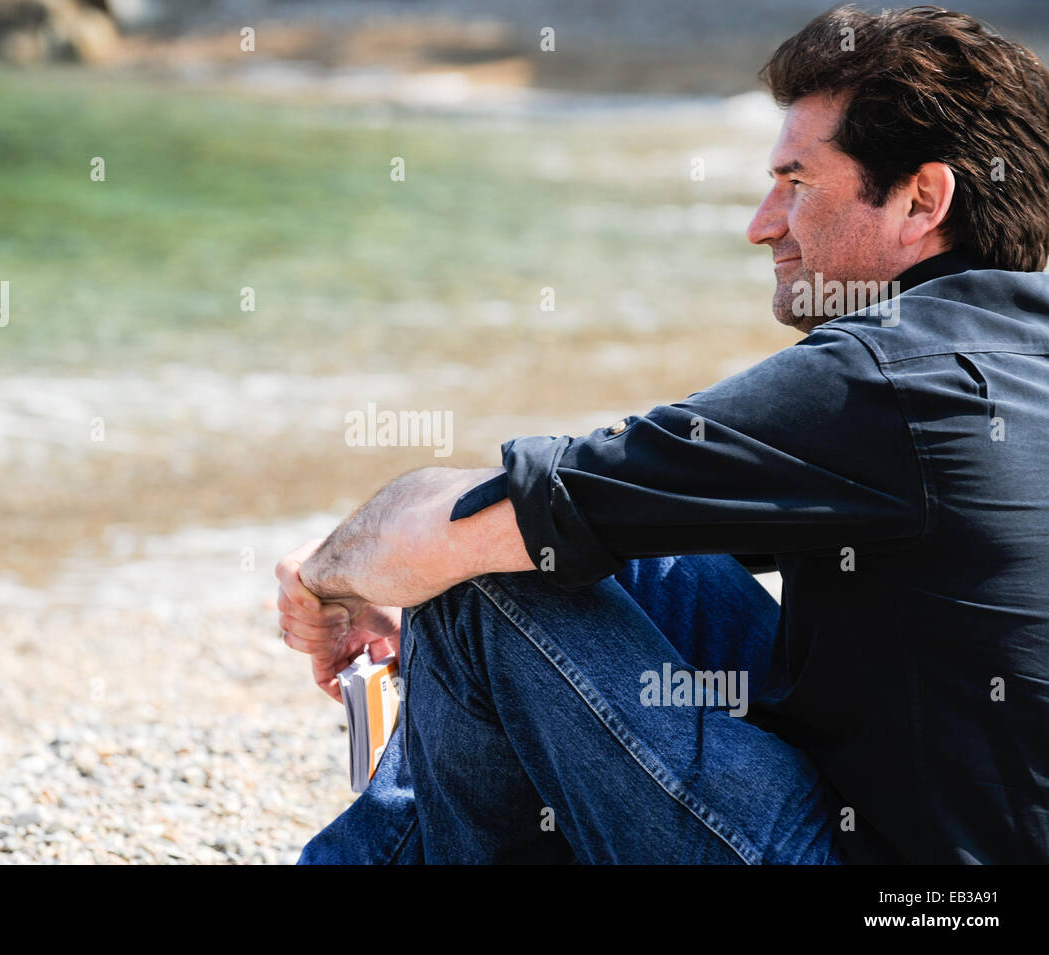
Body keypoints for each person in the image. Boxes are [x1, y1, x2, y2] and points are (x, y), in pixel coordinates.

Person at [275, 5, 1049, 864]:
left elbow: (495, 514)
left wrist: (331, 576)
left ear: (921, 198)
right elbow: (609, 495)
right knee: (621, 547)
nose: (763, 224)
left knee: (482, 570)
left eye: (798, 184)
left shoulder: (883, 379)